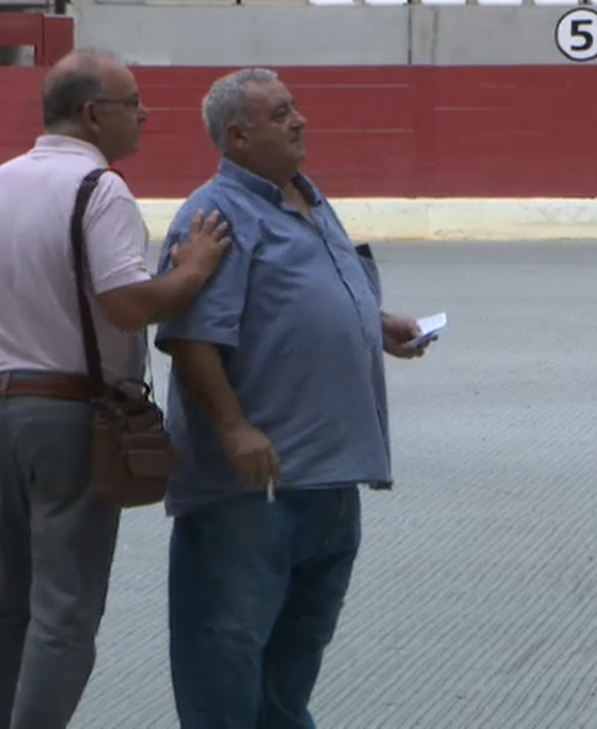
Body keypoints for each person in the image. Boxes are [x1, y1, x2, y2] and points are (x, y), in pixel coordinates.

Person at [0, 48, 232, 729]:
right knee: (65, 609)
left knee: (5, 595)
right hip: (68, 411)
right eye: (132, 102)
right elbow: (128, 304)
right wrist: (193, 271)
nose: (144, 115)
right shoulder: (99, 190)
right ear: (91, 114)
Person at [152, 67, 432, 728]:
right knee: (225, 652)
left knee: (295, 659)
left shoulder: (309, 199)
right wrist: (234, 429)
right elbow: (191, 338)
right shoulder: (214, 216)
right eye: (281, 115)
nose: (300, 121)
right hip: (254, 487)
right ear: (239, 137)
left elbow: (297, 301)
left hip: (332, 478)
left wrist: (373, 320)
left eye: (295, 108)